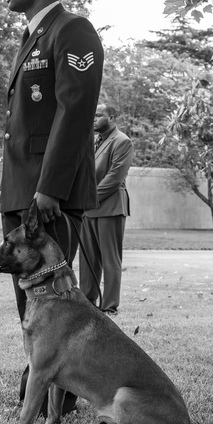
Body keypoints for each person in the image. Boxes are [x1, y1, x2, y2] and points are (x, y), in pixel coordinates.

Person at [0, 0, 104, 415]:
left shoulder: (72, 29)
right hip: (25, 188)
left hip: (48, 194)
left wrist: (51, 187)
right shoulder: (31, 37)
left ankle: (51, 402)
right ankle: (40, 395)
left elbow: (75, 109)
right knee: (32, 304)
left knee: (54, 304)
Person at [79, 104, 133, 315]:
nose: (93, 118)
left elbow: (115, 177)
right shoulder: (94, 142)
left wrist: (88, 199)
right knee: (87, 260)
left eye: (98, 115)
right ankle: (87, 302)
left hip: (109, 207)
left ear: (111, 117)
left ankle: (109, 306)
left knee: (110, 260)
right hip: (88, 209)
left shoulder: (122, 141)